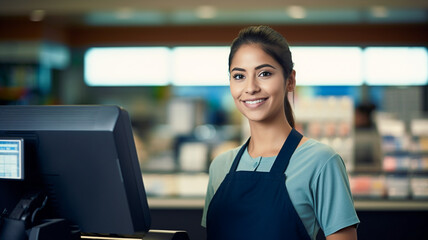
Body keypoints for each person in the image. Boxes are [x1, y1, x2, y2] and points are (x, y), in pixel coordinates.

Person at [201, 25, 359, 240]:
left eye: (264, 73)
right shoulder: (221, 165)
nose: (250, 87)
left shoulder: (320, 161)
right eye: (239, 76)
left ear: (290, 80)